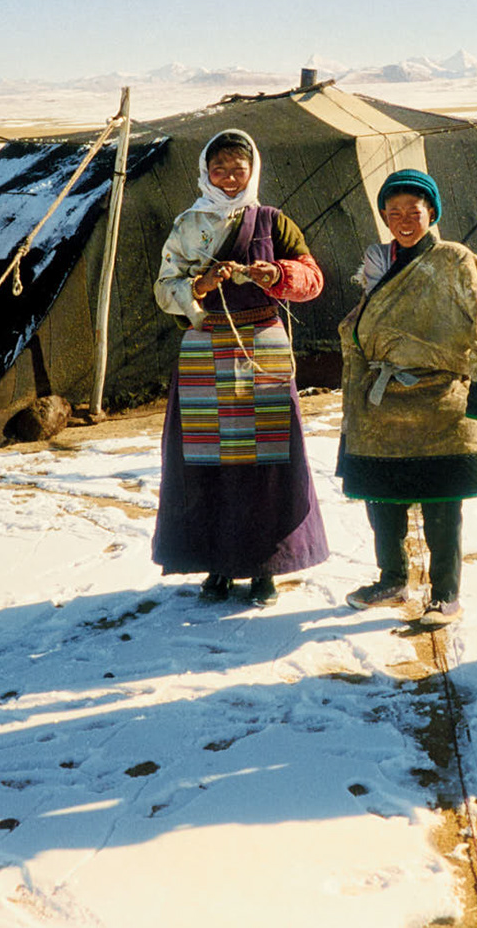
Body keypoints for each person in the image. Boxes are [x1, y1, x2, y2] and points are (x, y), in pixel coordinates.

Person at [150, 129, 329, 604]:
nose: (229, 178)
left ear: (254, 170)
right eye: (220, 168)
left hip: (263, 350)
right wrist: (201, 286)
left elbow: (313, 280)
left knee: (266, 461)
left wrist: (280, 275)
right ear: (205, 172)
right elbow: (165, 288)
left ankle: (266, 566)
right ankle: (217, 565)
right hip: (205, 347)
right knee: (208, 461)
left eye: (238, 168)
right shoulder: (188, 226)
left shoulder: (273, 222)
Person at [336, 168, 477, 628]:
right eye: (392, 212)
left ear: (431, 212)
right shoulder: (379, 261)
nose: (403, 220)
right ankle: (392, 579)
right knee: (384, 497)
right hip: (382, 403)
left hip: (439, 400)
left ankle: (445, 592)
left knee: (441, 501)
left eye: (413, 211)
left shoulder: (454, 258)